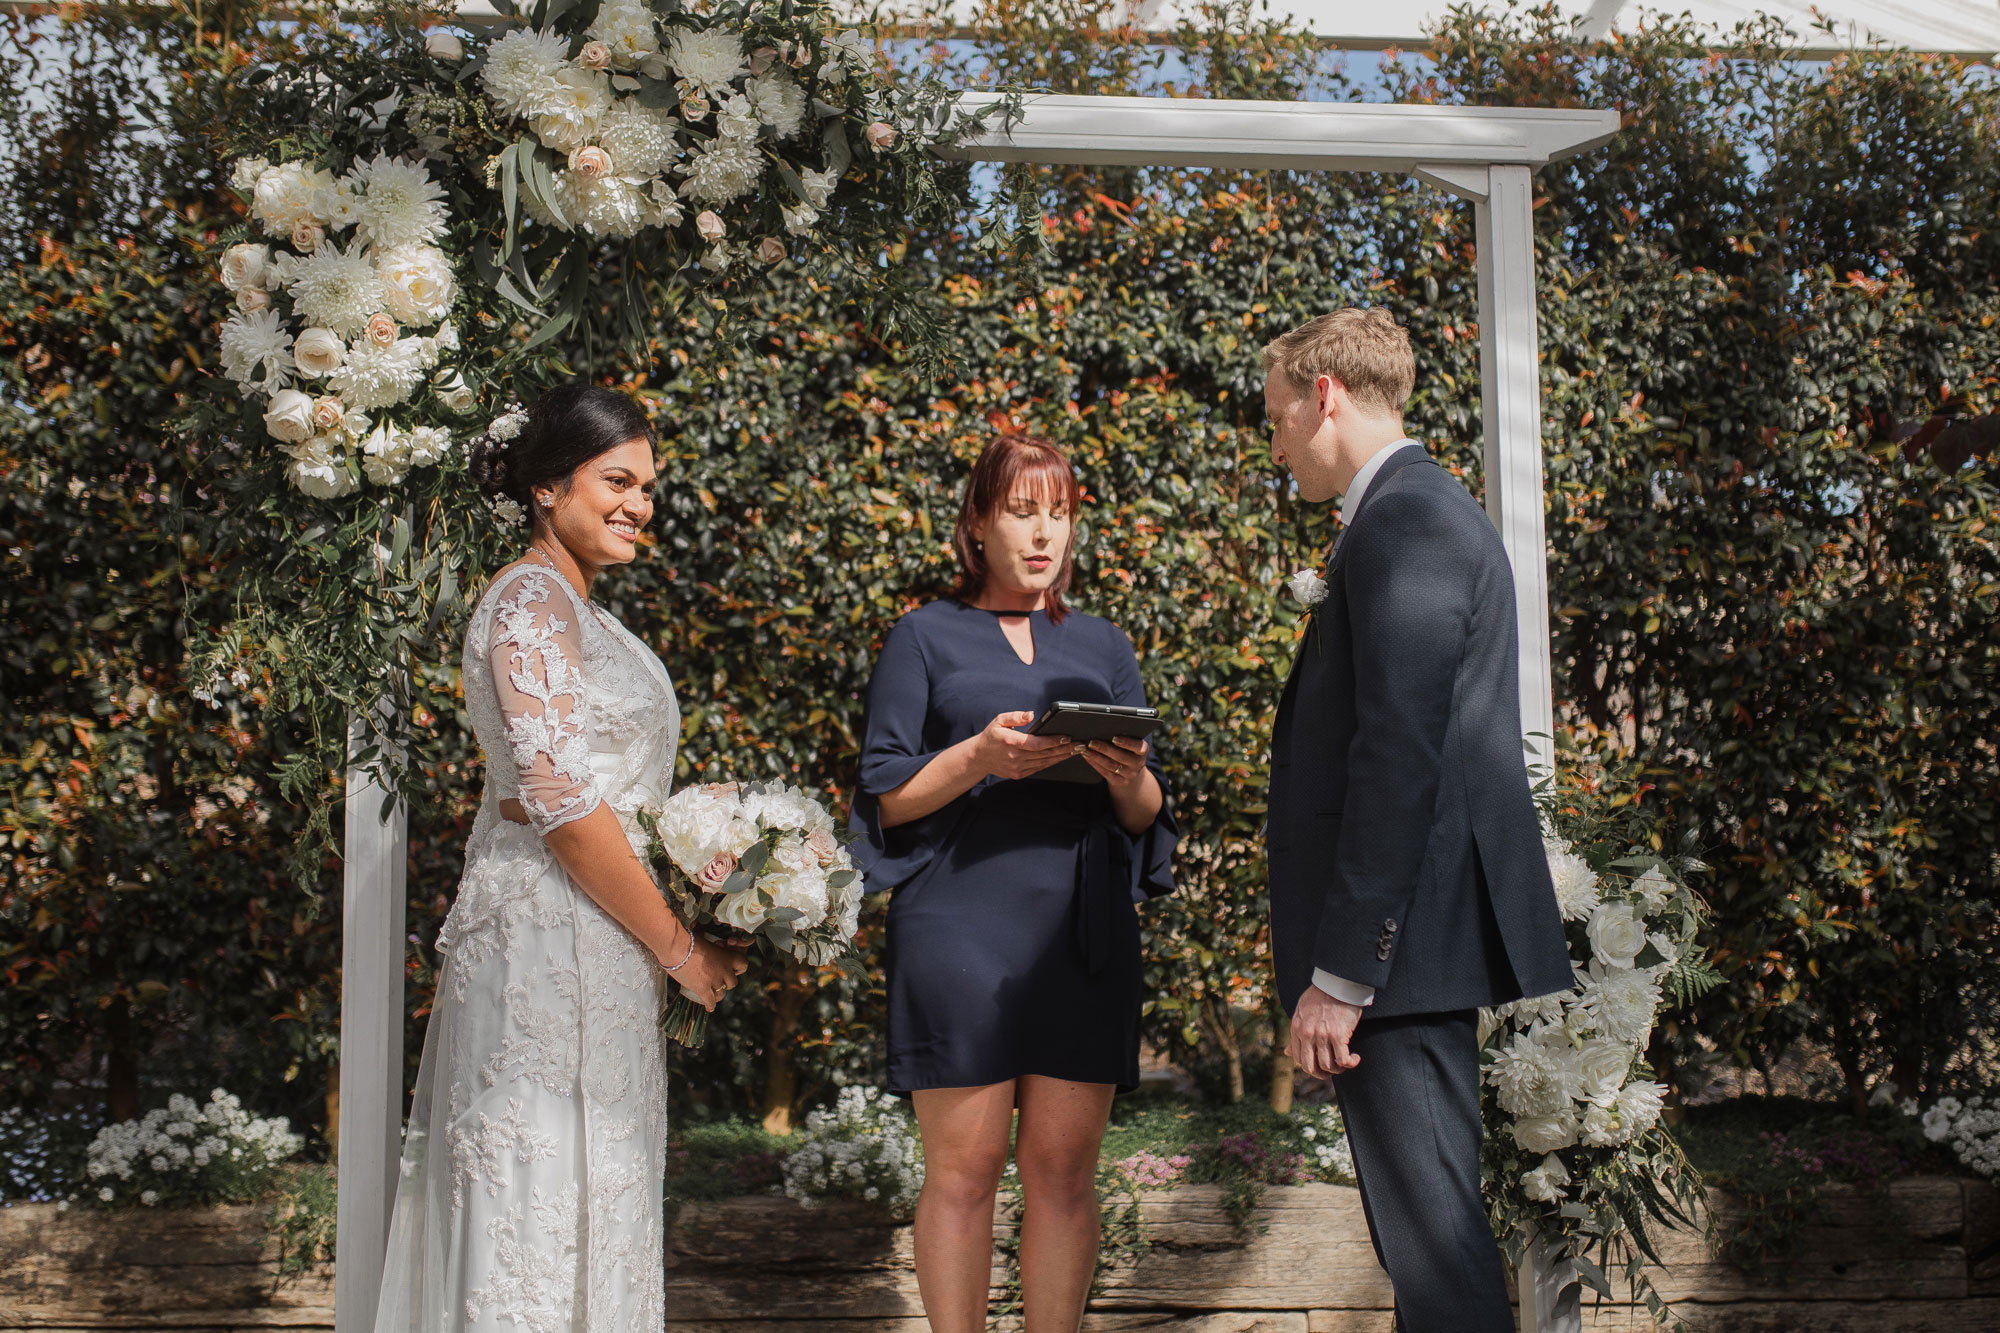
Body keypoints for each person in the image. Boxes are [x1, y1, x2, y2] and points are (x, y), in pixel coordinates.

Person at [372, 382, 747, 1333]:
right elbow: (567, 805)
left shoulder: (582, 607)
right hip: (550, 941)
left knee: (599, 1199)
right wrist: (681, 950)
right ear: (549, 486)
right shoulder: (530, 600)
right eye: (616, 479)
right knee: (532, 1207)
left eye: (649, 486)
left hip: (602, 943)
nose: (638, 503)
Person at [1259, 309, 1572, 1332]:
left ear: (1325, 397)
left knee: (1436, 1254)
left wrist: (1343, 971)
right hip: (1414, 948)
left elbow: (1398, 752)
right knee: (1424, 1248)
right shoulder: (1405, 515)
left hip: (1401, 955)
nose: (1275, 447)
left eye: (1275, 421)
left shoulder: (1407, 519)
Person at [849, 433, 1178, 1333]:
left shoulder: (1104, 645)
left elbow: (1148, 812)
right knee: (963, 1172)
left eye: (1060, 514)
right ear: (978, 523)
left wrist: (1124, 773)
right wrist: (979, 755)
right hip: (959, 927)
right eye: (1023, 511)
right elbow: (886, 794)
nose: (1045, 534)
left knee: (1067, 1175)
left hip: (1083, 929)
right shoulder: (921, 636)